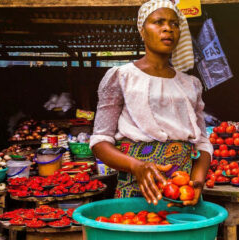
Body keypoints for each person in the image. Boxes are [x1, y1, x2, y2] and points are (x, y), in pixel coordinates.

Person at [90, 0, 213, 206]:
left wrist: (197, 183)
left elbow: (202, 143)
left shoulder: (191, 84)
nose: (168, 28)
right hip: (135, 187)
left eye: (174, 24)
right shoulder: (121, 76)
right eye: (158, 22)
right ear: (142, 31)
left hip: (181, 192)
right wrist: (137, 166)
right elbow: (100, 141)